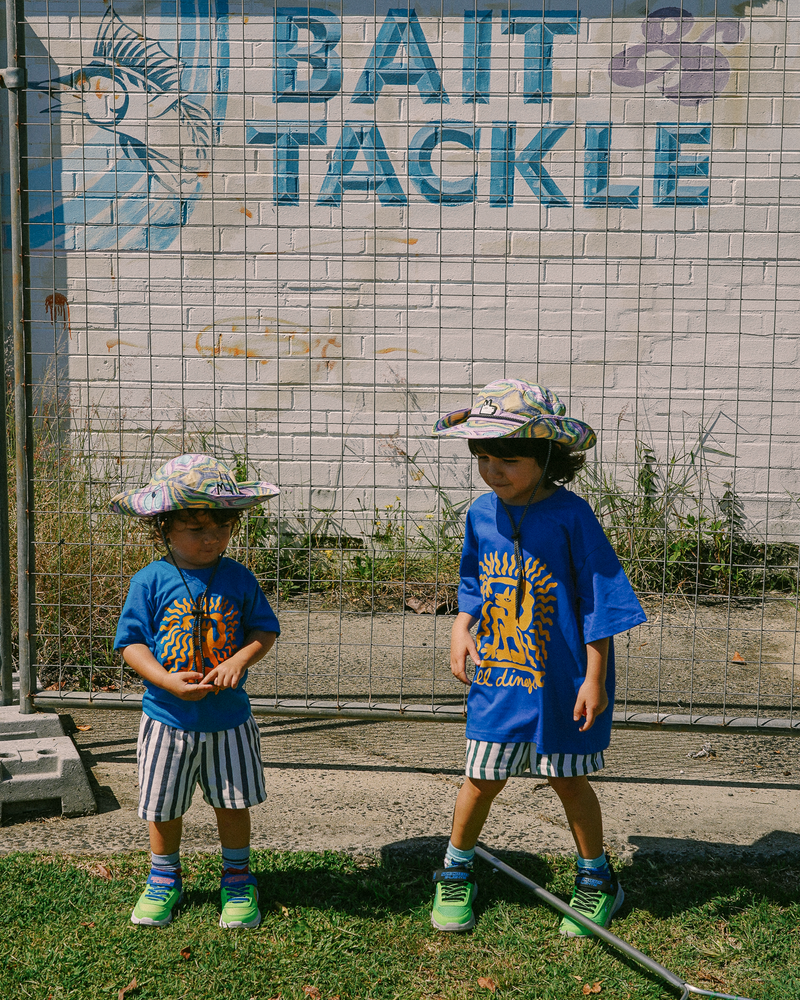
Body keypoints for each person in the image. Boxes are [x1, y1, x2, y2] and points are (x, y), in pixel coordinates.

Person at [429, 380, 646, 937]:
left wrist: (594, 680)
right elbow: (473, 580)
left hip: (562, 685)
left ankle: (598, 881)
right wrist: (461, 625)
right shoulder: (480, 514)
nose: (493, 471)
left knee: (568, 781)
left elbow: (601, 600)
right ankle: (455, 871)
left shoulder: (572, 516)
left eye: (509, 459)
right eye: (482, 458)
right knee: (480, 776)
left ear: (548, 456)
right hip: (498, 679)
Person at [110, 453, 281, 929]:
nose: (211, 539)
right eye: (195, 528)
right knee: (163, 805)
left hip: (229, 721)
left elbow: (263, 631)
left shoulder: (239, 579)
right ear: (163, 528)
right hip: (166, 720)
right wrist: (165, 680)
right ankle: (163, 878)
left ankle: (238, 879)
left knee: (233, 800)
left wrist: (238, 660)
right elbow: (131, 644)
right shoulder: (149, 581)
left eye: (222, 527)